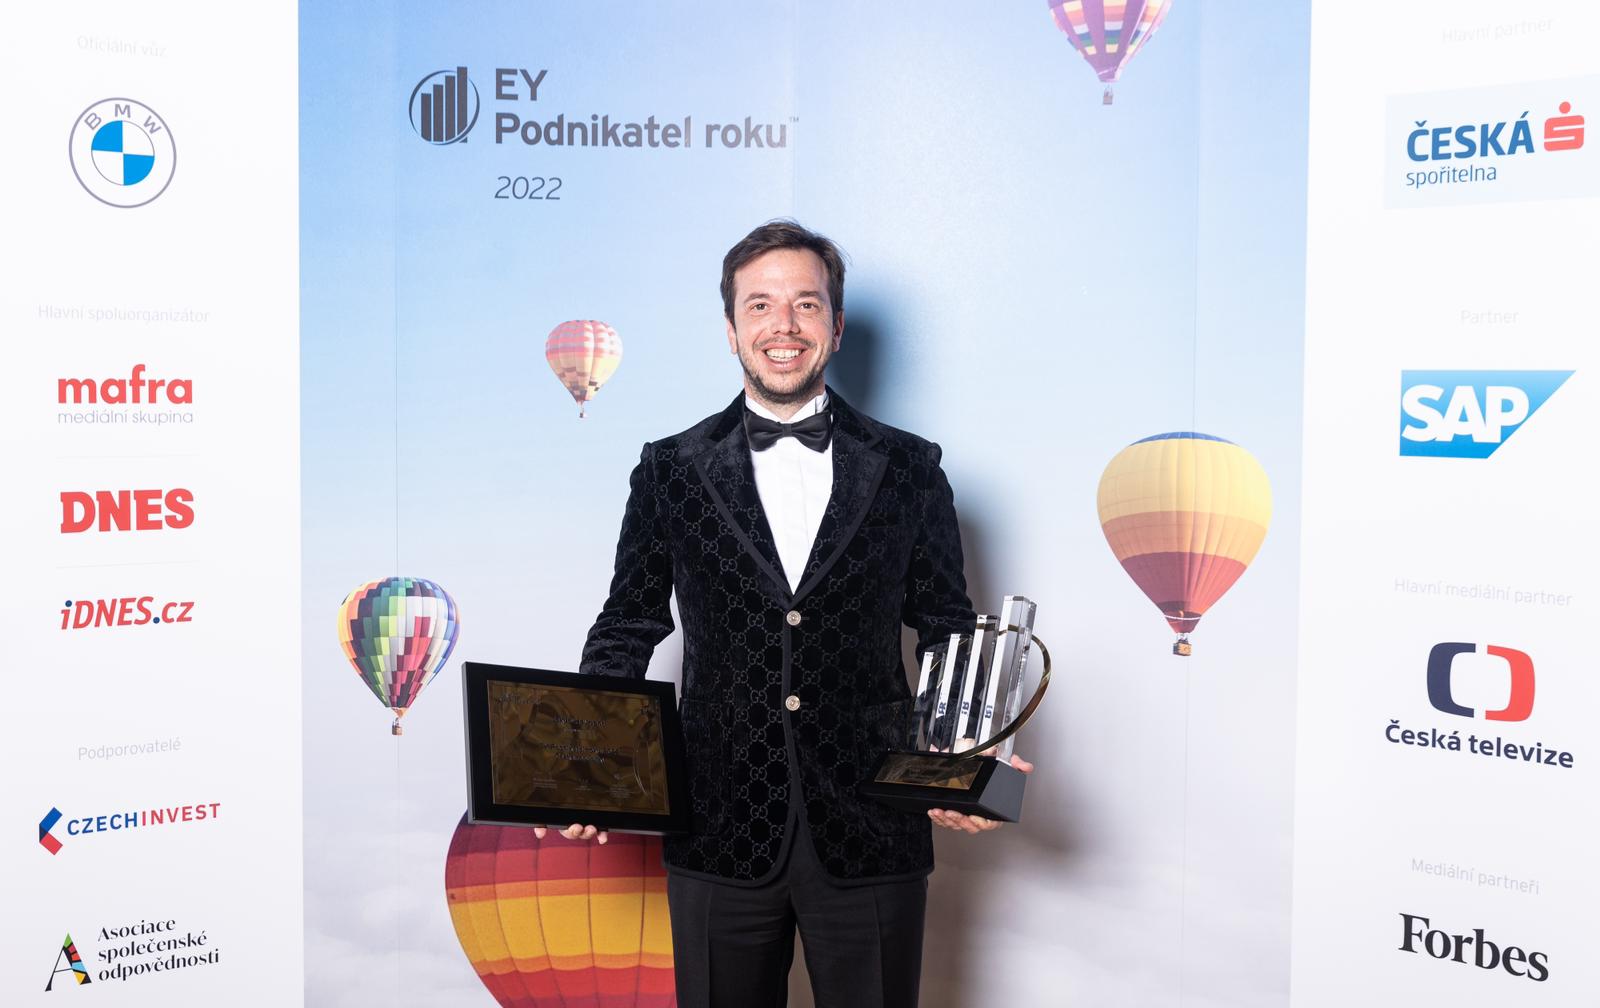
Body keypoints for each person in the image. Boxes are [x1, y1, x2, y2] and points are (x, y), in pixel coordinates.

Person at [546, 220, 1031, 1008]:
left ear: (835, 327)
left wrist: (966, 758)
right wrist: (588, 767)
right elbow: (628, 623)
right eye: (761, 305)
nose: (784, 325)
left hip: (874, 827)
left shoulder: (912, 467)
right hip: (716, 826)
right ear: (730, 328)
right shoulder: (669, 469)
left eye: (806, 305)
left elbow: (947, 625)